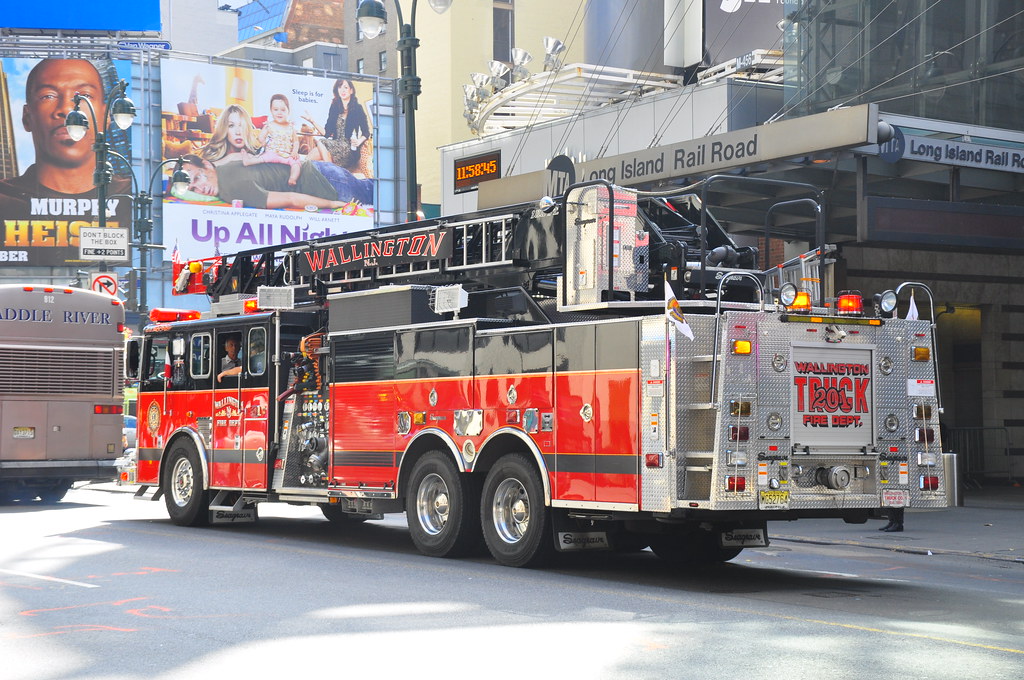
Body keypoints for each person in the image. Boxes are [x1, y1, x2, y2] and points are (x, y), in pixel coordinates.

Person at [0, 58, 132, 262]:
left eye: (84, 95)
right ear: (27, 117)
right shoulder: (5, 199)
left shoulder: (129, 197)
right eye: (48, 96)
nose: (68, 109)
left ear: (106, 117)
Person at [178, 153, 372, 210]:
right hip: (323, 172)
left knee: (387, 202)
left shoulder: (231, 188)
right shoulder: (224, 168)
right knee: (377, 190)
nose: (200, 188)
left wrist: (332, 204)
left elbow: (291, 198)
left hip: (327, 186)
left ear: (206, 165)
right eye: (194, 188)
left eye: (197, 178)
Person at [305, 78, 370, 173]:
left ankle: (331, 170)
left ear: (351, 90)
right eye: (340, 87)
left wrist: (359, 141)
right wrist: (312, 121)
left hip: (349, 149)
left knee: (321, 142)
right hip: (334, 146)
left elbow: (366, 132)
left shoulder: (357, 108)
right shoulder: (335, 107)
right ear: (337, 90)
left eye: (345, 87)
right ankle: (331, 170)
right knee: (308, 161)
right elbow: (326, 133)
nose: (342, 90)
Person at [256, 94, 302, 186]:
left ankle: (292, 178)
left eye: (283, 110)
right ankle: (249, 162)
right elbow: (261, 138)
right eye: (276, 110)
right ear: (271, 111)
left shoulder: (290, 127)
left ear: (288, 111)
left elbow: (296, 141)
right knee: (261, 158)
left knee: (296, 163)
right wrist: (262, 139)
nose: (279, 113)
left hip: (286, 155)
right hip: (272, 153)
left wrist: (294, 151)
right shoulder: (269, 125)